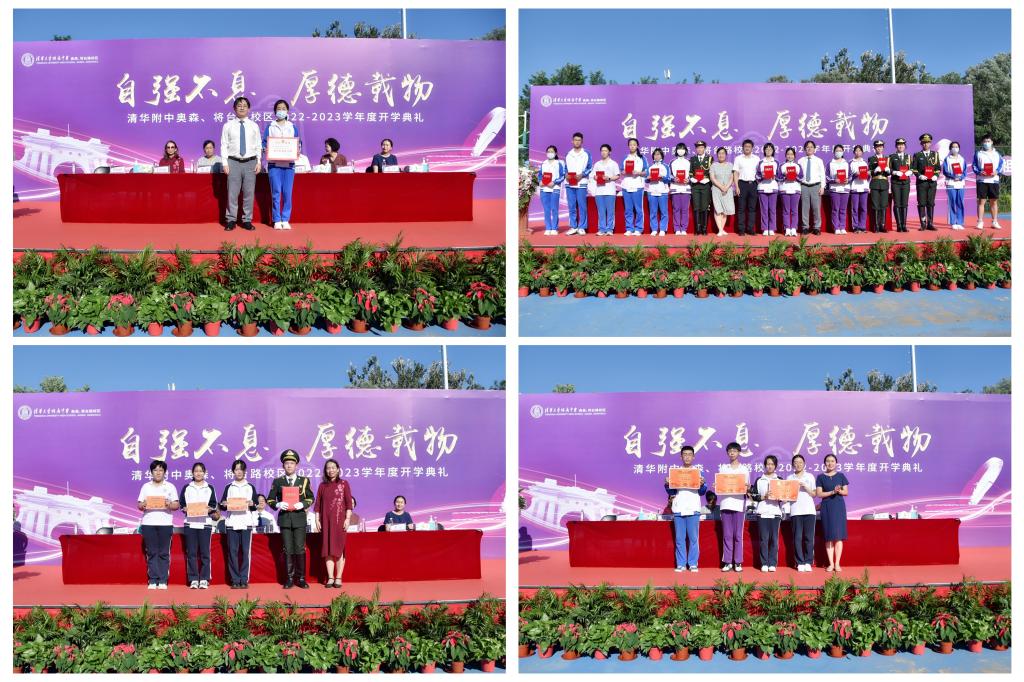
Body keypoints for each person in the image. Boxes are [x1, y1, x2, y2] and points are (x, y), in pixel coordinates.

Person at [267, 449, 314, 589]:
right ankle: (289, 578)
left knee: (300, 548)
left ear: (296, 465)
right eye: (286, 463)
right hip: (285, 519)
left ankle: (301, 578)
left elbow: (310, 497)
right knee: (287, 548)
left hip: (299, 518)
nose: (289, 465)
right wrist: (278, 504)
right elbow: (270, 499)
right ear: (283, 465)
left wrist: (303, 504)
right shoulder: (278, 481)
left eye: (292, 463)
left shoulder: (304, 481)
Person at [219, 459, 263, 590]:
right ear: (233, 471)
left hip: (246, 522)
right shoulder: (229, 487)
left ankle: (243, 579)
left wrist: (252, 504)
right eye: (236, 469)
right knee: (232, 552)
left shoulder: (250, 487)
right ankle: (234, 579)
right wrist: (224, 504)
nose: (238, 472)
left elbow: (255, 506)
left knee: (245, 552)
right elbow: (222, 506)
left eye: (241, 469)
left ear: (245, 471)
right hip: (232, 522)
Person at [220, 96, 261, 231]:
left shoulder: (254, 126)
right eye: (239, 105)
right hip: (233, 162)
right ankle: (231, 220)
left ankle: (247, 220)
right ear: (234, 108)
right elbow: (224, 145)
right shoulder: (228, 125)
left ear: (249, 109)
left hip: (250, 162)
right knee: (232, 193)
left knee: (249, 193)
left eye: (244, 105)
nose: (242, 108)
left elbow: (258, 145)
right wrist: (225, 163)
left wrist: (258, 161)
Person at [137, 460, 180, 589]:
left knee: (164, 553)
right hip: (148, 523)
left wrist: (169, 504)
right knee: (151, 552)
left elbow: (176, 505)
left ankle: (162, 580)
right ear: (151, 472)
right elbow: (139, 505)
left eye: (161, 470)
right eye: (155, 470)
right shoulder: (146, 487)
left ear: (165, 472)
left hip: (165, 523)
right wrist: (143, 504)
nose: (158, 472)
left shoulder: (170, 486)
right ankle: (152, 580)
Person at [664, 445, 707, 572]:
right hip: (679, 508)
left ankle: (693, 563)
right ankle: (681, 564)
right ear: (681, 457)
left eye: (689, 454)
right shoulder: (675, 473)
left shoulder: (698, 472)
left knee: (693, 538)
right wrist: (667, 484)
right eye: (685, 454)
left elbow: (702, 492)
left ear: (693, 457)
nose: (687, 457)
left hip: (693, 508)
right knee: (679, 539)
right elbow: (671, 491)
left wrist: (702, 485)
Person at [263, 99, 303, 231]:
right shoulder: (270, 126)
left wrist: (298, 149)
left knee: (287, 193)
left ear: (287, 111)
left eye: (283, 108)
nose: (281, 111)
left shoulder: (292, 127)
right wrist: (265, 149)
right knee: (276, 192)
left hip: (289, 165)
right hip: (274, 164)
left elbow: (298, 143)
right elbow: (264, 143)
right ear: (275, 111)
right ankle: (276, 219)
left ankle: (285, 219)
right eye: (279, 108)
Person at [314, 459, 353, 588]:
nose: (330, 470)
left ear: (338, 469)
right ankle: (330, 577)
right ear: (325, 470)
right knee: (327, 549)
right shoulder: (322, 486)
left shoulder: (344, 484)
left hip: (339, 521)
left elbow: (348, 503)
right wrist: (317, 519)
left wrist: (347, 519)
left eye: (333, 467)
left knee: (339, 548)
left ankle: (338, 577)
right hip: (325, 521)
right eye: (328, 468)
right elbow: (317, 504)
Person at [179, 462, 219, 589]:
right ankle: (193, 579)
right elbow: (181, 503)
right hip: (190, 523)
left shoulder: (209, 487)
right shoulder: (187, 487)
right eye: (196, 471)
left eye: (201, 471)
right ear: (192, 473)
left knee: (205, 552)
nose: (198, 473)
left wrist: (210, 509)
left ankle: (205, 579)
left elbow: (213, 504)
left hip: (205, 523)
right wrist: (184, 508)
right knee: (191, 552)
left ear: (204, 473)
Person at [718, 442, 750, 572]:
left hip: (739, 504)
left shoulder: (744, 469)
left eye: (735, 451)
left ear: (739, 453)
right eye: (730, 451)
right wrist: (717, 485)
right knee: (727, 535)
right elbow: (720, 485)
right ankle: (727, 562)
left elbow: (747, 487)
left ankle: (738, 562)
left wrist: (747, 487)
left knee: (738, 535)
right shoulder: (723, 469)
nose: (732, 453)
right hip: (726, 503)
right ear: (727, 453)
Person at [816, 453, 849, 572]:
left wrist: (838, 491)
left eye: (832, 461)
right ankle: (830, 563)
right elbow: (819, 494)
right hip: (826, 507)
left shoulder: (841, 476)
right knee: (828, 536)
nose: (830, 463)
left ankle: (837, 563)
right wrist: (832, 492)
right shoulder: (820, 477)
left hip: (838, 507)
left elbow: (846, 492)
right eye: (828, 461)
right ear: (824, 463)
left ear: (836, 463)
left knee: (839, 537)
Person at [752, 455, 784, 572]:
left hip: (775, 513)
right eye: (768, 464)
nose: (770, 466)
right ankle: (764, 563)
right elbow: (754, 496)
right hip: (762, 512)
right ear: (765, 465)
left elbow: (784, 497)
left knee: (774, 539)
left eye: (772, 464)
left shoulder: (780, 480)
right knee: (763, 539)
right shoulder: (759, 480)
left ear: (775, 466)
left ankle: (772, 563)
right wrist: (764, 496)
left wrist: (780, 497)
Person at [564, 132, 593, 236]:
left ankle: (582, 227)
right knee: (571, 206)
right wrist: (566, 174)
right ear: (572, 141)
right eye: (575, 140)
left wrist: (582, 175)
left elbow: (590, 167)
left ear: (582, 141)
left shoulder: (586, 153)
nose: (577, 142)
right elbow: (565, 168)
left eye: (579, 140)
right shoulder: (568, 154)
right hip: (569, 183)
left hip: (581, 183)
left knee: (582, 206)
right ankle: (573, 226)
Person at [973, 133, 1004, 230]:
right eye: (985, 141)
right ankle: (980, 222)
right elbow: (974, 166)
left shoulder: (997, 154)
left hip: (993, 180)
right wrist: (979, 172)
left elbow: (1001, 165)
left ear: (992, 142)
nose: (987, 143)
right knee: (981, 201)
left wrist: (996, 171)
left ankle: (994, 221)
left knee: (993, 202)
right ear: (982, 143)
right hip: (982, 180)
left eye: (988, 141)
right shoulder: (978, 153)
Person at [912, 133, 940, 231]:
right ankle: (923, 224)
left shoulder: (935, 155)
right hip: (922, 183)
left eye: (927, 142)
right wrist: (919, 175)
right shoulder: (917, 155)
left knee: (931, 203)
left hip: (932, 182)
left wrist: (936, 176)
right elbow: (914, 169)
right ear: (921, 144)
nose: (926, 144)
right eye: (924, 143)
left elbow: (938, 168)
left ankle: (930, 223)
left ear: (930, 143)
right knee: (921, 203)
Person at [620, 138, 648, 235]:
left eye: (634, 144)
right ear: (628, 146)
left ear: (637, 146)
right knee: (628, 209)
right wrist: (624, 172)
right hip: (626, 186)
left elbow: (646, 172)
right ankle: (629, 228)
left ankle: (639, 229)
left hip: (638, 186)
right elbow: (621, 170)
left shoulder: (642, 158)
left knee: (638, 209)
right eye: (630, 144)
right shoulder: (625, 157)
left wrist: (638, 173)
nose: (632, 146)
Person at [732, 139, 760, 237]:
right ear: (743, 148)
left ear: (752, 148)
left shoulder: (757, 159)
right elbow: (735, 173)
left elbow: (759, 173)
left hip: (753, 185)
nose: (747, 148)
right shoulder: (738, 158)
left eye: (749, 146)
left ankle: (750, 229)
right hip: (742, 184)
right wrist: (736, 186)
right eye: (745, 146)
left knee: (752, 208)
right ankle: (741, 229)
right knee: (741, 208)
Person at [591, 144, 620, 236]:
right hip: (599, 190)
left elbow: (617, 176)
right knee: (601, 211)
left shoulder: (613, 163)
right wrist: (595, 177)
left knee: (610, 211)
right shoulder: (597, 164)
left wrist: (609, 178)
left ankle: (610, 229)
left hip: (610, 190)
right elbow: (593, 175)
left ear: (609, 152)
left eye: (605, 150)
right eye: (602, 151)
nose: (603, 152)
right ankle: (602, 229)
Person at [537, 145, 566, 236]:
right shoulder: (544, 163)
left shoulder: (559, 163)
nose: (550, 153)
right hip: (544, 189)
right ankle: (548, 228)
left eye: (552, 151)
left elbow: (562, 176)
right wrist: (540, 181)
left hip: (554, 188)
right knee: (546, 210)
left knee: (554, 209)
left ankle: (554, 228)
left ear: (555, 153)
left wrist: (554, 182)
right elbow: (540, 175)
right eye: (548, 151)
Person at [798, 140, 826, 235]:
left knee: (816, 208)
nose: (809, 148)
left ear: (814, 149)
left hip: (815, 186)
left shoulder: (819, 160)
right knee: (804, 208)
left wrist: (822, 187)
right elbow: (798, 175)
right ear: (804, 149)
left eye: (811, 147)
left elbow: (822, 175)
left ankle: (817, 227)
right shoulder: (800, 161)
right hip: (804, 186)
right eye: (807, 147)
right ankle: (805, 227)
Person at [689, 141, 713, 236]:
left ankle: (704, 229)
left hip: (705, 185)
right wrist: (692, 179)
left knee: (705, 207)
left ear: (705, 148)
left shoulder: (710, 158)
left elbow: (711, 172)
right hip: (695, 186)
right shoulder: (693, 159)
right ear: (696, 149)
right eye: (698, 148)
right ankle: (697, 229)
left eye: (701, 147)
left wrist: (707, 179)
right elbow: (691, 172)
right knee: (696, 207)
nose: (700, 149)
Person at [889, 137, 912, 233]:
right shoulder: (891, 157)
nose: (900, 146)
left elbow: (913, 168)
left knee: (905, 204)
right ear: (896, 146)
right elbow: (888, 169)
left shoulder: (909, 157)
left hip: (905, 183)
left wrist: (910, 171)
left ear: (905, 146)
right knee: (897, 204)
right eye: (899, 145)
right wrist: (894, 172)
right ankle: (899, 225)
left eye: (902, 145)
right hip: (896, 183)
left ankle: (904, 225)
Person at [867, 139, 891, 233]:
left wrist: (888, 170)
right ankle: (876, 226)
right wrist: (874, 171)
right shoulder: (871, 159)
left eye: (881, 147)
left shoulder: (887, 158)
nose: (879, 149)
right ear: (874, 148)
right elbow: (868, 172)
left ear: (883, 148)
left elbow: (890, 172)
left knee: (884, 204)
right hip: (875, 183)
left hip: (884, 183)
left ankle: (882, 226)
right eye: (877, 147)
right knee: (875, 205)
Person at [943, 141, 968, 230]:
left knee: (960, 202)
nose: (955, 148)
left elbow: (965, 171)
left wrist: (960, 177)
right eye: (953, 147)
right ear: (950, 149)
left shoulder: (962, 159)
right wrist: (953, 176)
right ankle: (953, 222)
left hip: (960, 183)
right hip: (951, 183)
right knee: (952, 202)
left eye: (957, 147)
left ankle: (960, 222)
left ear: (959, 148)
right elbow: (945, 171)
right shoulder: (947, 159)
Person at [710, 147, 735, 237]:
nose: (721, 155)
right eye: (719, 153)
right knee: (718, 210)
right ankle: (720, 230)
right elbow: (712, 178)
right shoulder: (713, 165)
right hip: (716, 189)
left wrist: (726, 187)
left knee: (725, 210)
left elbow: (732, 178)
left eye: (723, 153)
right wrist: (721, 187)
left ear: (726, 155)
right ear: (717, 155)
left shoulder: (731, 165)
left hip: (727, 190)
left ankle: (722, 229)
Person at [756, 143, 780, 236]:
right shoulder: (761, 162)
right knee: (764, 210)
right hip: (762, 188)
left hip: (773, 187)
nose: (768, 151)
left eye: (770, 149)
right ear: (764, 151)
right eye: (767, 149)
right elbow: (757, 176)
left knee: (772, 209)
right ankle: (765, 228)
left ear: (773, 151)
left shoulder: (776, 162)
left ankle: (772, 228)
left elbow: (780, 176)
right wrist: (762, 176)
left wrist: (774, 176)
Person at [778, 147, 803, 237]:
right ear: (785, 155)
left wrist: (795, 176)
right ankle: (787, 229)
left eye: (792, 154)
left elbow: (802, 178)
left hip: (795, 190)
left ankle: (793, 229)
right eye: (788, 154)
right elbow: (778, 178)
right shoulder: (782, 165)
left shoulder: (798, 166)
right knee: (786, 210)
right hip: (785, 189)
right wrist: (785, 176)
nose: (790, 156)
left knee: (794, 211)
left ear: (794, 156)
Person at [646, 148, 670, 236]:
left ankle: (663, 229)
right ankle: (654, 229)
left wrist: (662, 177)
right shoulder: (650, 167)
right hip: (652, 191)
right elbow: (646, 180)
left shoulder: (666, 166)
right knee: (653, 212)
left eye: (658, 154)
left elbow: (668, 179)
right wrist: (648, 178)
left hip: (662, 191)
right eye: (655, 154)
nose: (656, 156)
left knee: (664, 212)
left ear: (662, 156)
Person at [827, 144, 851, 235]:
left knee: (843, 209)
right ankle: (836, 227)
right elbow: (826, 177)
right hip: (834, 189)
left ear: (843, 152)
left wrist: (848, 180)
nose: (838, 152)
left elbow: (851, 176)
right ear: (834, 152)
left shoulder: (846, 163)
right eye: (837, 151)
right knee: (835, 209)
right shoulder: (830, 163)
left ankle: (842, 227)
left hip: (845, 189)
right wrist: (834, 180)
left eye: (840, 150)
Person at [669, 143, 691, 235]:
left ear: (685, 150)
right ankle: (677, 228)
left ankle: (684, 228)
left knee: (685, 210)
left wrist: (689, 179)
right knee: (676, 209)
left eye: (682, 149)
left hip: (686, 188)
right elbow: (669, 175)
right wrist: (673, 178)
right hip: (675, 188)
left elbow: (692, 174)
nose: (681, 150)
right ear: (676, 150)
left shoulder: (689, 162)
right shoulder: (672, 162)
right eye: (679, 148)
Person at [848, 145, 870, 233]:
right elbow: (848, 176)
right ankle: (855, 226)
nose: (858, 152)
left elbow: (869, 177)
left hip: (864, 187)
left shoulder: (865, 162)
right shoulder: (850, 163)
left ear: (862, 152)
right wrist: (855, 174)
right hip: (854, 187)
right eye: (856, 151)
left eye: (860, 151)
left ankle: (862, 226)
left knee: (863, 208)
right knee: (855, 208)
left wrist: (868, 174)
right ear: (854, 152)